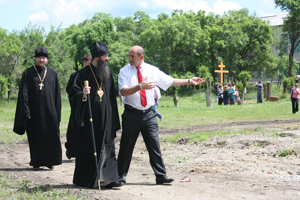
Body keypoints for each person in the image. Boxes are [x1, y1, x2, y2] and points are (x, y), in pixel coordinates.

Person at [117, 45, 204, 185]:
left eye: (132, 56)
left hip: (149, 114)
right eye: (129, 56)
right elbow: (123, 92)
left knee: (154, 145)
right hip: (131, 114)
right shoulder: (124, 71)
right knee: (126, 147)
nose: (130, 59)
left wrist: (188, 80)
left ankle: (161, 175)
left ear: (141, 57)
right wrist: (140, 86)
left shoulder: (152, 70)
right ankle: (120, 176)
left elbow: (169, 81)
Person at [69, 41, 122, 189]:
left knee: (108, 146)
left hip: (106, 117)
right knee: (89, 147)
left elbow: (111, 97)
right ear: (97, 57)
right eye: (105, 56)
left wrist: (113, 117)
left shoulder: (107, 73)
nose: (108, 59)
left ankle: (109, 178)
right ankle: (89, 179)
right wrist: (83, 95)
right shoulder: (82, 74)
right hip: (89, 120)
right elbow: (73, 95)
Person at [13, 47, 62, 170]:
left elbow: (57, 95)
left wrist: (57, 112)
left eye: (44, 58)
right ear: (35, 59)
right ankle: (36, 161)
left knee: (50, 136)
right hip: (34, 112)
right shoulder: (28, 73)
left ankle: (50, 161)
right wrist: (26, 111)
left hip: (50, 111)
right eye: (39, 58)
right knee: (35, 136)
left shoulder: (52, 73)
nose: (42, 60)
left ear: (47, 59)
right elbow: (23, 94)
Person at [65, 54, 91, 159]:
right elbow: (70, 91)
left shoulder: (94, 75)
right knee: (74, 130)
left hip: (91, 110)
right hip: (78, 109)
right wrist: (82, 95)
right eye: (89, 64)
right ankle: (72, 150)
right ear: (84, 63)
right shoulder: (75, 75)